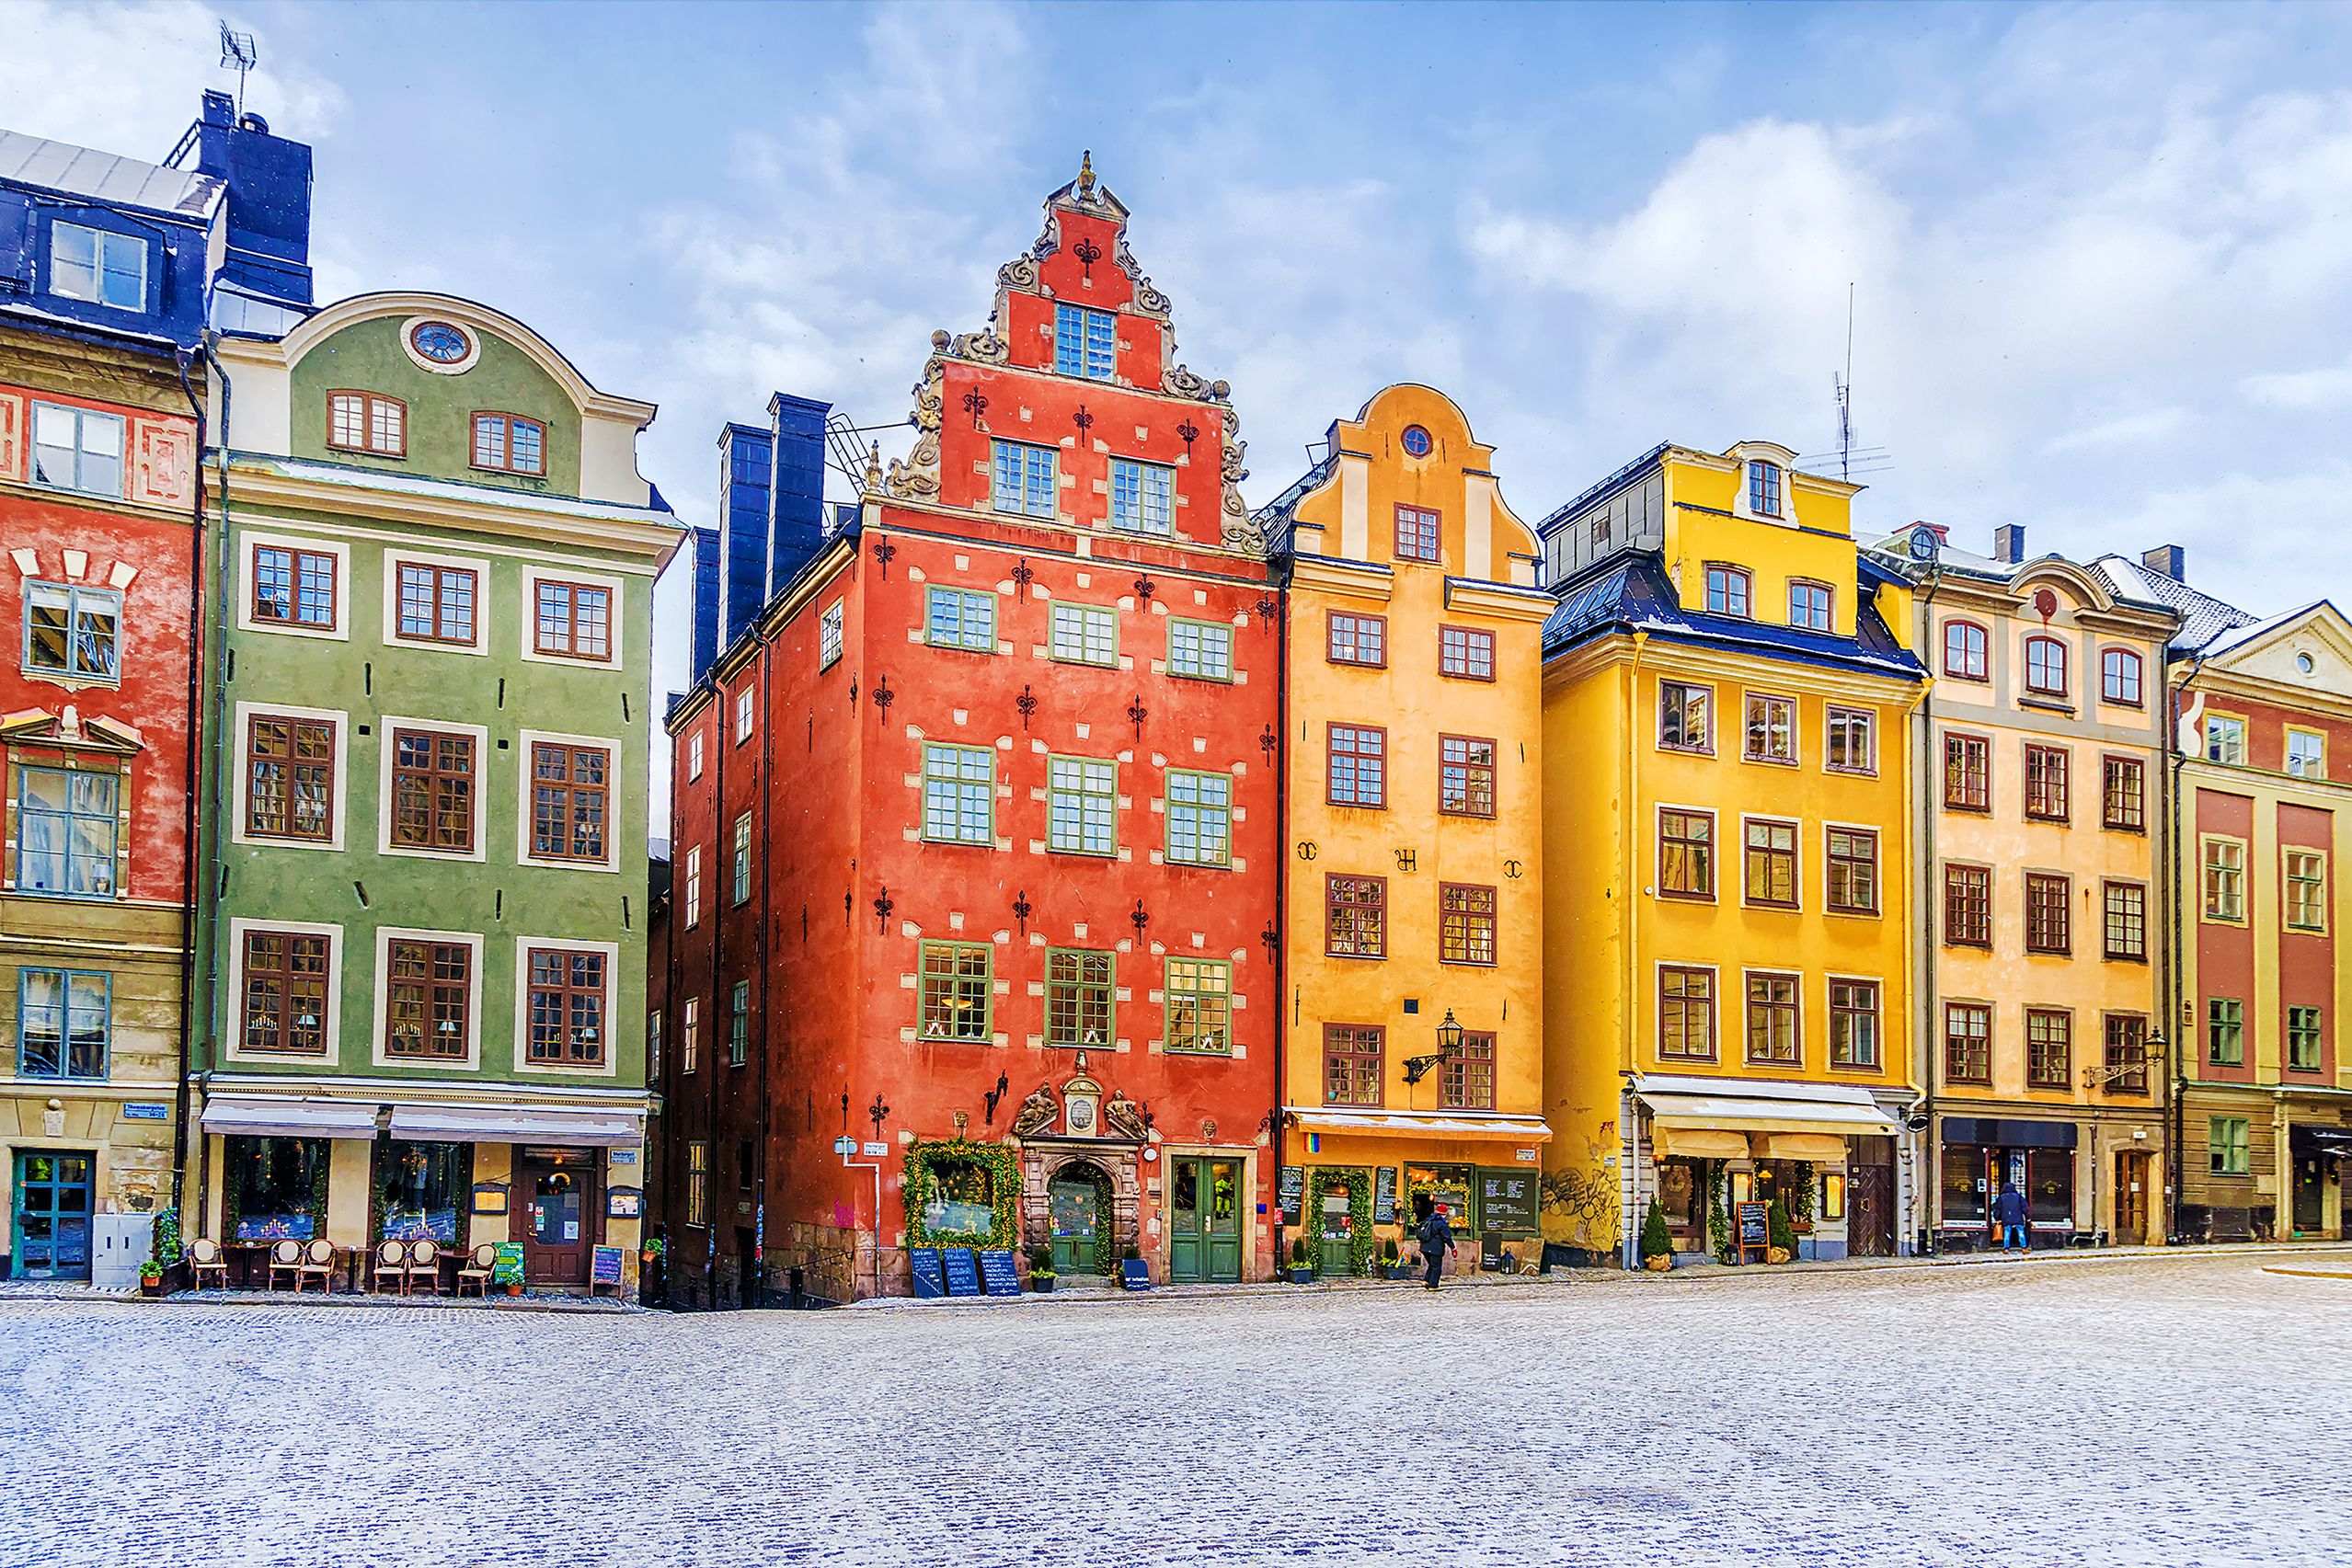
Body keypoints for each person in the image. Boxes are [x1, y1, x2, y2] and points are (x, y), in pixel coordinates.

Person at [1414, 1193, 1455, 1290]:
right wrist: (1453, 1247)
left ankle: (1426, 1280)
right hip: (1435, 1249)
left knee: (1432, 1265)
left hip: (1424, 1247)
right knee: (1436, 1267)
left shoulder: (1429, 1220)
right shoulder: (1441, 1224)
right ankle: (1433, 1285)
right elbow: (1447, 1237)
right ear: (1445, 1214)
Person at [1995, 1182, 2030, 1254]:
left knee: (2007, 1232)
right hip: (2018, 1217)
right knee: (2021, 1232)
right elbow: (2025, 1208)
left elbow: (1998, 1209)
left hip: (2006, 1217)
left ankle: (2006, 1248)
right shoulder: (2019, 1196)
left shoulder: (2001, 1197)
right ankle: (2024, 1248)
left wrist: (1997, 1218)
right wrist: (2027, 1217)